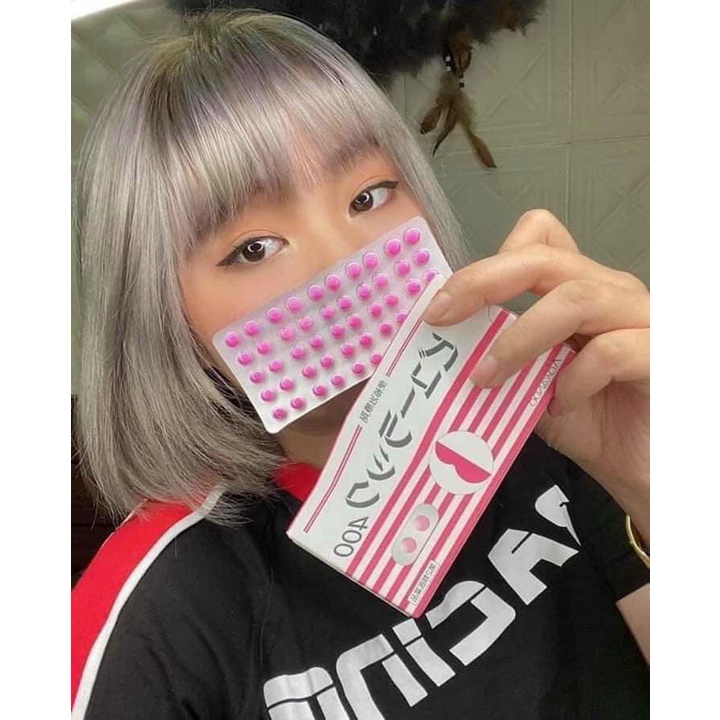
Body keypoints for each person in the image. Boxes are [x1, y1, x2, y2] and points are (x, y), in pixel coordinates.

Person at [71, 9, 650, 719]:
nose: (344, 263)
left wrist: (652, 479)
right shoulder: (159, 607)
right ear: (167, 320)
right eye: (252, 248)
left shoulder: (560, 423)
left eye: (368, 196)